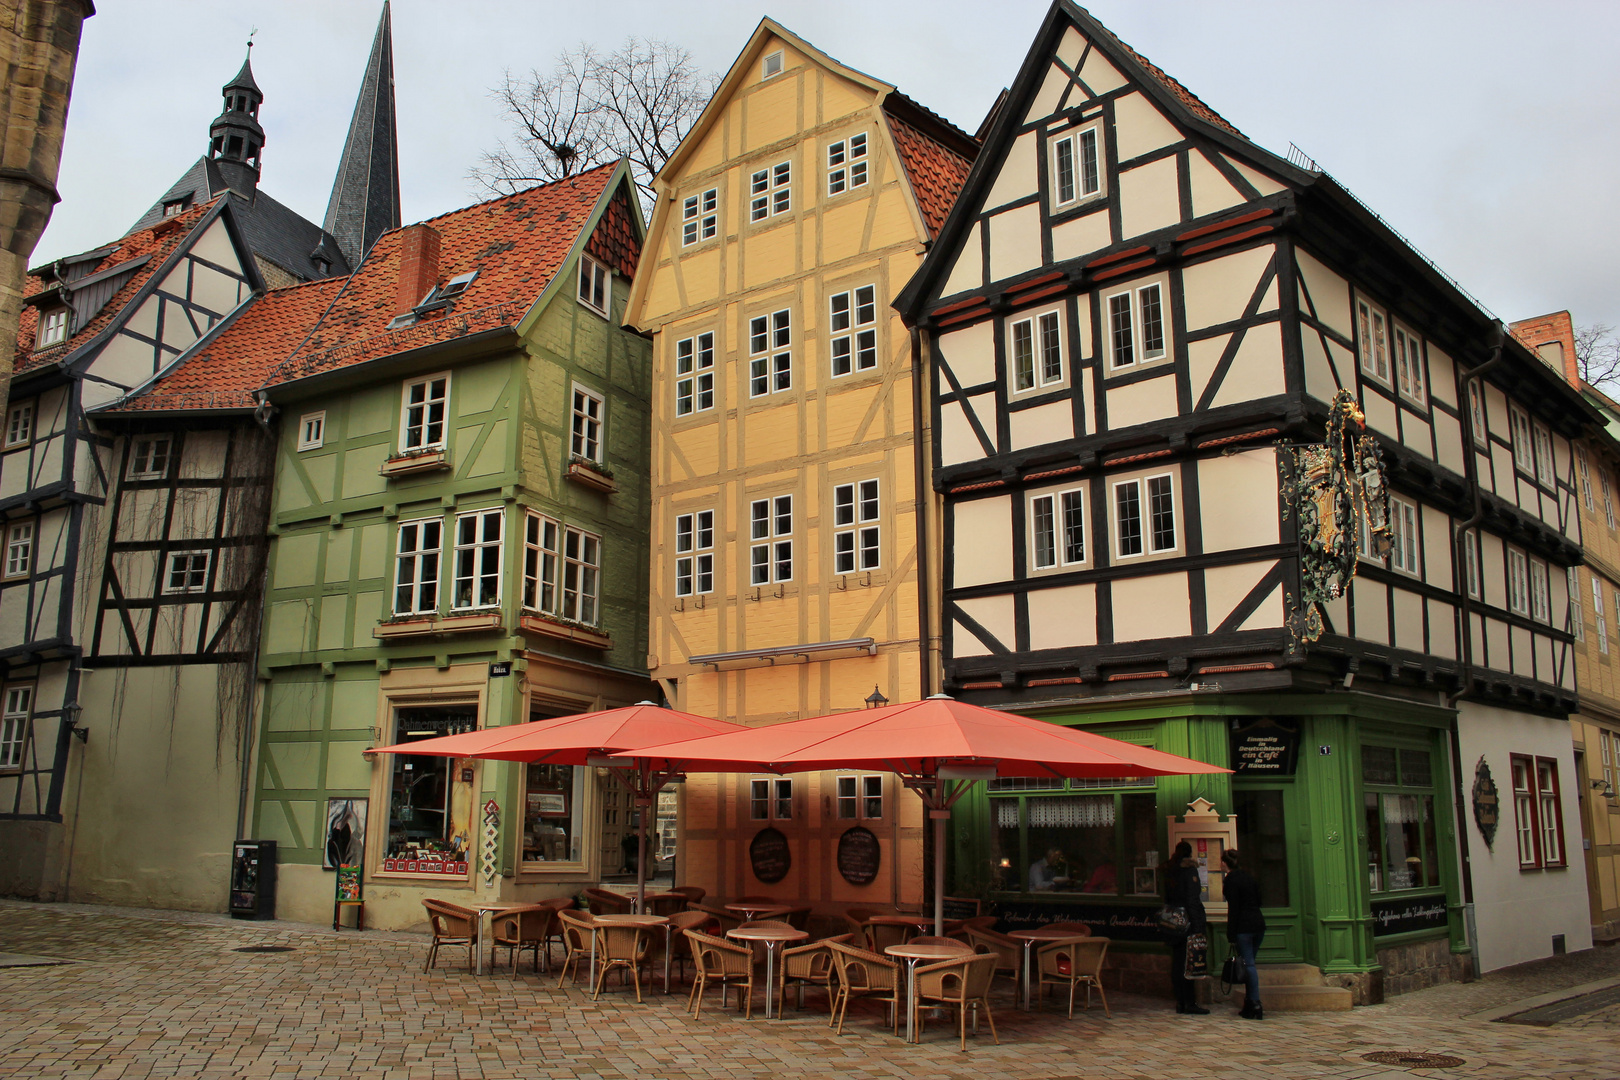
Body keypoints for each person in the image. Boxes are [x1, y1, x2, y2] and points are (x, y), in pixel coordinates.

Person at [1163, 840, 1208, 1014]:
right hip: (1187, 922)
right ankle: (1189, 1001)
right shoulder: (1190, 872)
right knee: (1189, 964)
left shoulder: (1171, 872)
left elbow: (1168, 898)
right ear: (1189, 854)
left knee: (1177, 962)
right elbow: (1192, 900)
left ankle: (1180, 1001)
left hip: (1173, 922)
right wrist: (1197, 926)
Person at [1222, 848, 1266, 1019]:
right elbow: (1260, 900)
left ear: (1224, 863)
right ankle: (1249, 1002)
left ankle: (1255, 1003)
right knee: (1250, 963)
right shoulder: (1249, 877)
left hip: (1243, 927)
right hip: (1258, 924)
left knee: (1249, 965)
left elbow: (1233, 909)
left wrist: (1231, 933)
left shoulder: (1231, 880)